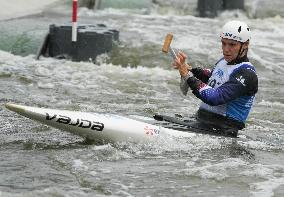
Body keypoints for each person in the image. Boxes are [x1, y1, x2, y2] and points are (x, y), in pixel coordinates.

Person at [172, 20, 258, 137]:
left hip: (223, 129)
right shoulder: (223, 61)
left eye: (232, 44)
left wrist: (187, 76)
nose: (226, 49)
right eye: (223, 43)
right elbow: (212, 78)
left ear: (245, 45)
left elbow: (215, 97)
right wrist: (188, 68)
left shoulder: (247, 74)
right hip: (203, 121)